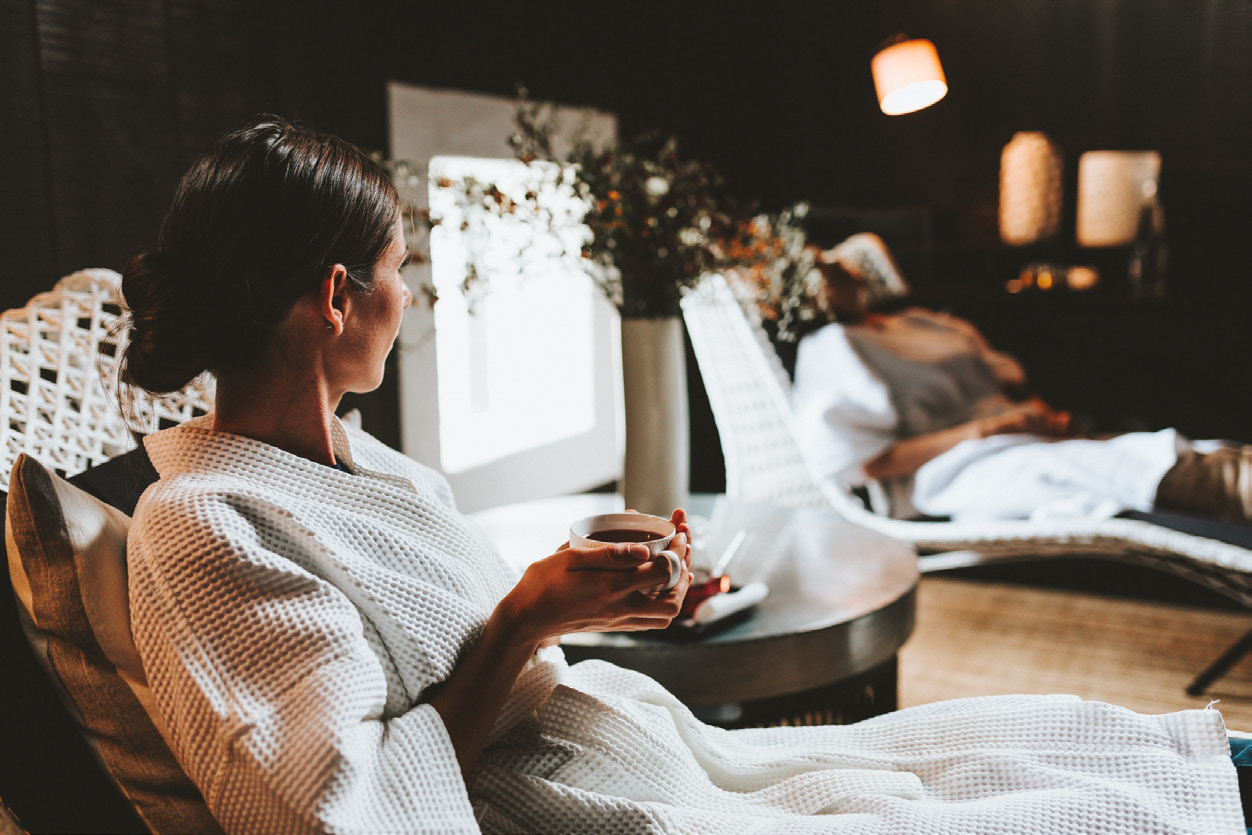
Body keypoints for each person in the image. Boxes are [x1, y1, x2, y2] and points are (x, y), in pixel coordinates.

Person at [121, 116, 1243, 833]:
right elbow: (348, 809)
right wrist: (525, 618)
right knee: (1032, 806)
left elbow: (436, 647)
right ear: (335, 297)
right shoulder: (201, 526)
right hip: (587, 809)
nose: (407, 298)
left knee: (1040, 743)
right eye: (397, 270)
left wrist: (579, 596)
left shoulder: (354, 460)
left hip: (647, 748)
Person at [792, 236, 1252, 524]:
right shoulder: (833, 348)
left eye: (837, 260)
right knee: (1103, 470)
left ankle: (1230, 475)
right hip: (955, 468)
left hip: (1023, 434)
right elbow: (865, 463)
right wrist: (984, 431)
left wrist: (1043, 416)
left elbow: (1008, 383)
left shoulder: (917, 322)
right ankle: (1229, 487)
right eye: (823, 266)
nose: (841, 267)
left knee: (1153, 450)